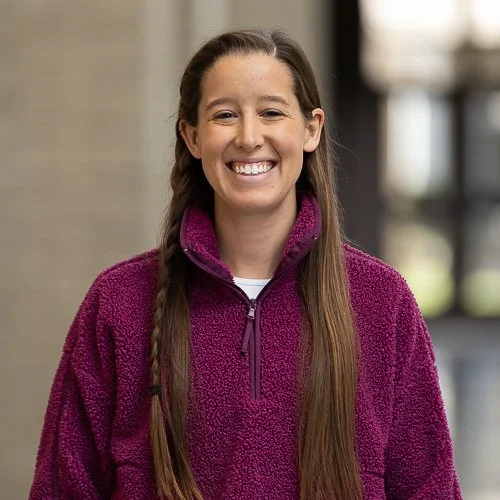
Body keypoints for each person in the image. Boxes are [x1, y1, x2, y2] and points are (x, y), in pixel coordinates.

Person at [30, 29, 462, 499]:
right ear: (192, 136)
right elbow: (61, 488)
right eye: (224, 115)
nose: (249, 137)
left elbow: (429, 489)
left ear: (311, 129)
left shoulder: (383, 302)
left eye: (272, 112)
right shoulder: (119, 302)